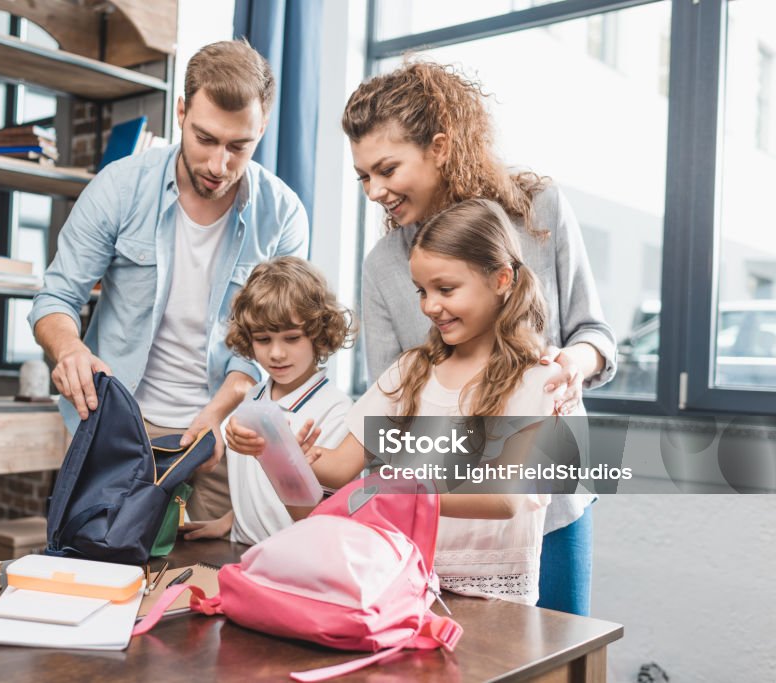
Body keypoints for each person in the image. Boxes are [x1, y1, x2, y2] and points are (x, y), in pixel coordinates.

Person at [342, 60, 613, 615]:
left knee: (561, 658)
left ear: (440, 146)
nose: (374, 191)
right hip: (447, 523)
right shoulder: (384, 266)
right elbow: (394, 415)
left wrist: (574, 364)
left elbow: (595, 334)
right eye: (363, 176)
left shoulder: (540, 211)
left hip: (552, 502)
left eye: (386, 169)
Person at [29, 40, 309, 523]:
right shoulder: (118, 187)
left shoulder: (283, 214)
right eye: (205, 139)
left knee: (207, 582)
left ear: (261, 128)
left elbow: (266, 345)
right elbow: (56, 297)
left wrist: (219, 415)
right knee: (99, 566)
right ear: (181, 112)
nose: (219, 165)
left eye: (239, 146)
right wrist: (70, 351)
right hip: (115, 425)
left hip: (224, 430)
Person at [311, 199, 567, 605]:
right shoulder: (411, 370)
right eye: (422, 291)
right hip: (406, 586)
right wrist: (281, 450)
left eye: (445, 289)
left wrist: (396, 489)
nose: (430, 306)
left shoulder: (539, 380)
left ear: (501, 279)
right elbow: (340, 468)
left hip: (495, 607)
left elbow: (503, 499)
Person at [183, 256, 355, 544]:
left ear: (319, 334)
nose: (276, 353)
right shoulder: (253, 396)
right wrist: (230, 521)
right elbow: (257, 487)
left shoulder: (336, 409)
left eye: (291, 338)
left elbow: (322, 512)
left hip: (294, 558)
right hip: (240, 548)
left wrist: (280, 451)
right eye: (263, 339)